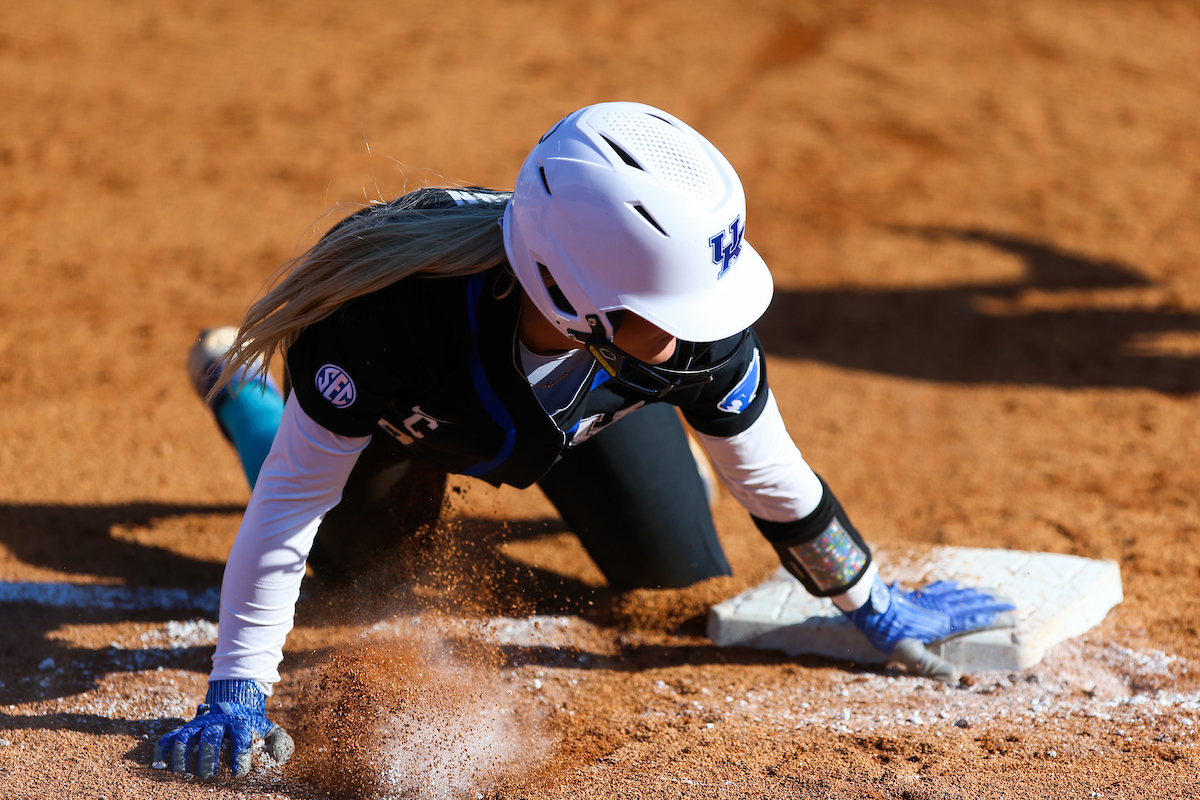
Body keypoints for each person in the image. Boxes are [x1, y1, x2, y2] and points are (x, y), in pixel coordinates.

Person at [153, 102, 1015, 779]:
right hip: (411, 427)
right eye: (660, 319)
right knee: (367, 576)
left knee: (680, 581)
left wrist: (871, 600)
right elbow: (292, 503)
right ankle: (250, 402)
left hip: (572, 414)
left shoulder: (688, 332)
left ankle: (656, 452)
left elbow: (770, 475)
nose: (690, 344)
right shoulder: (388, 322)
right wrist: (236, 690)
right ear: (566, 295)